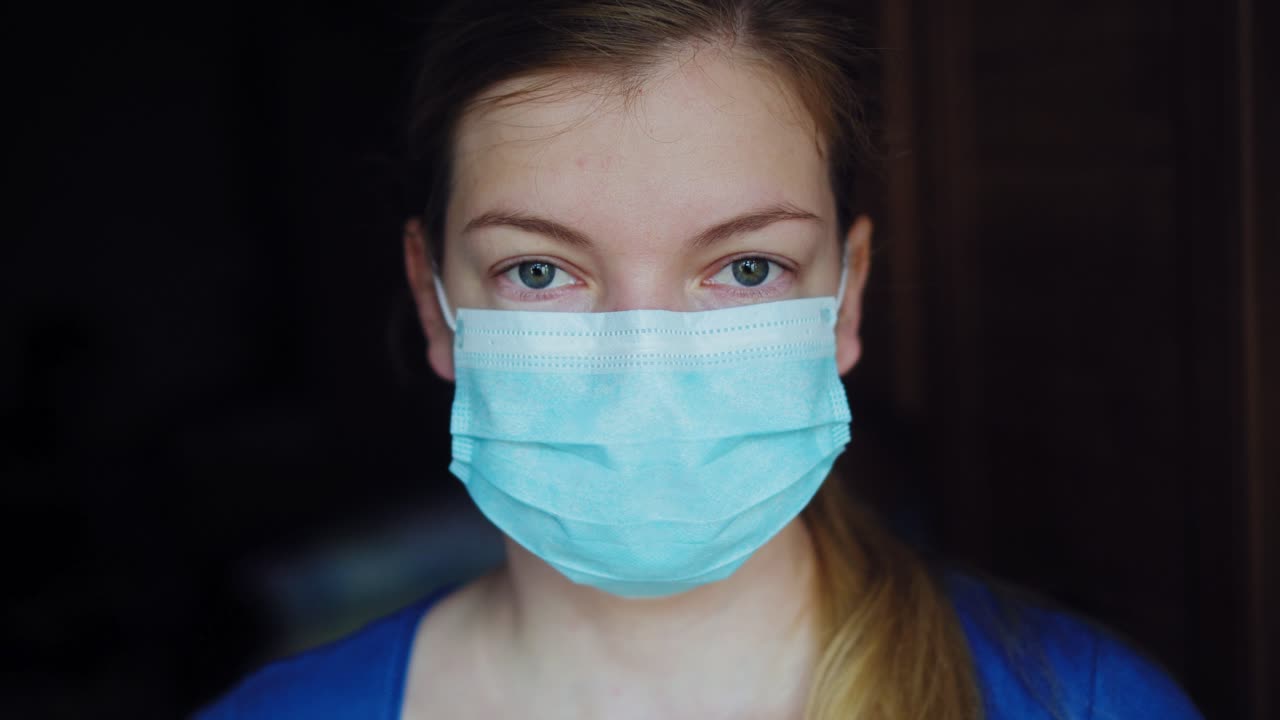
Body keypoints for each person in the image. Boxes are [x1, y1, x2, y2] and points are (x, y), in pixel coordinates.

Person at [198, 1, 1203, 717]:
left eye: (747, 266)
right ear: (434, 300)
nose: (643, 368)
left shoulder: (1083, 705)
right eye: (540, 272)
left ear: (844, 295)